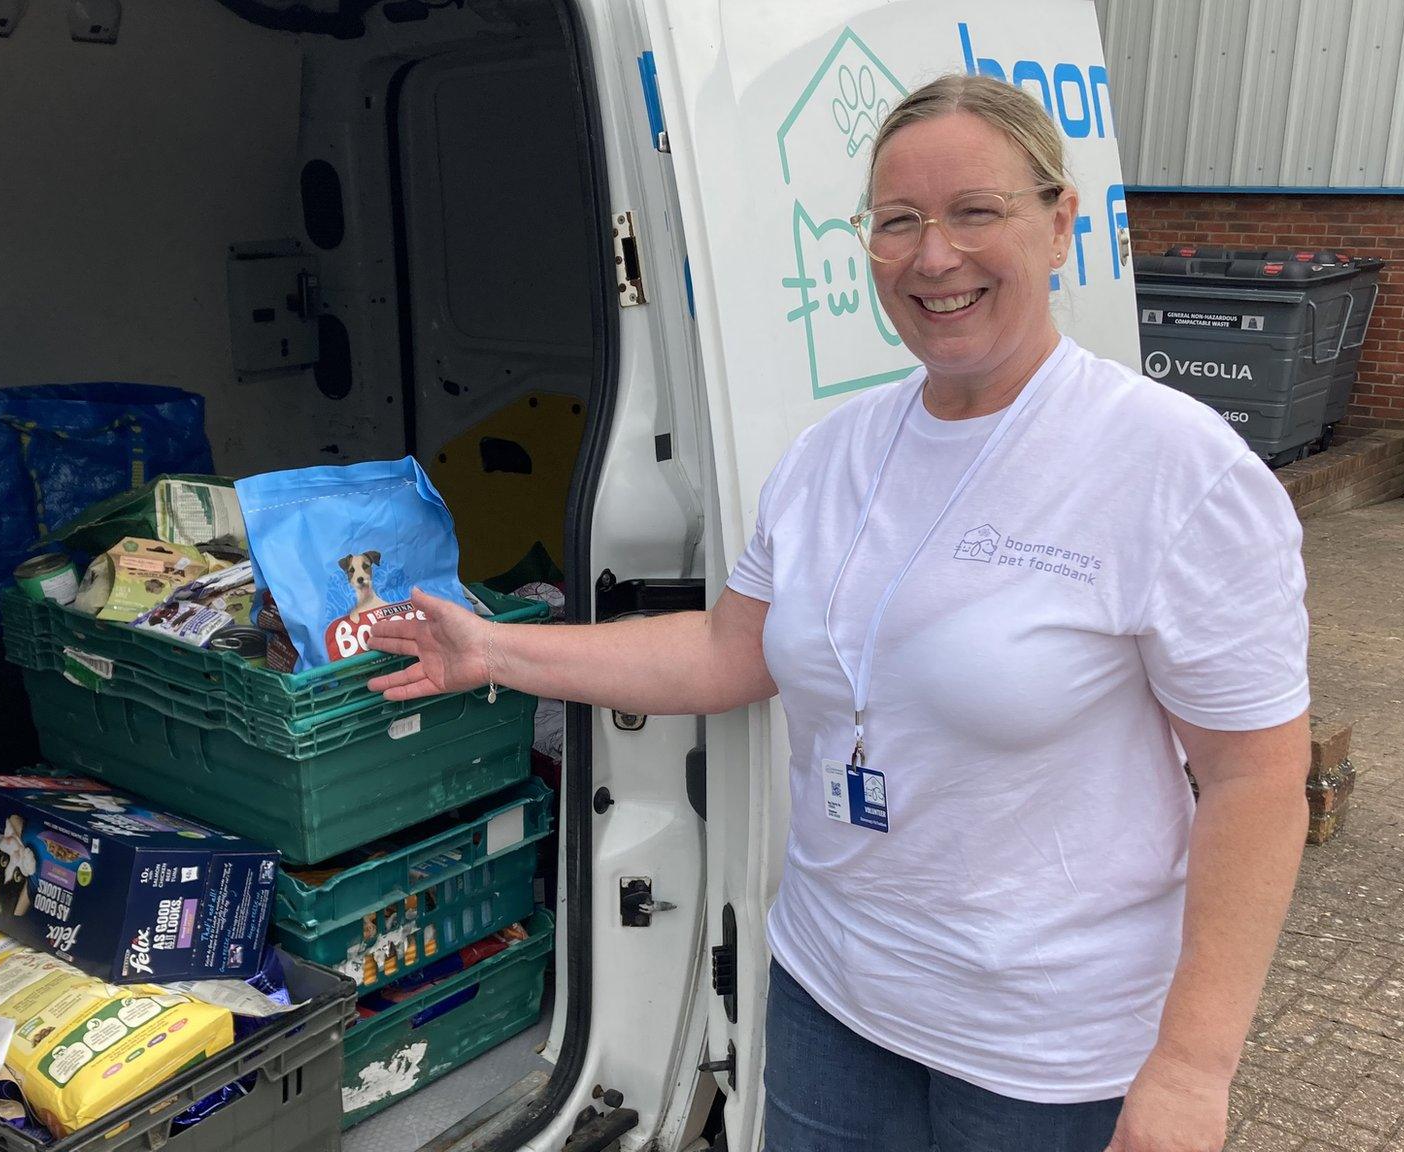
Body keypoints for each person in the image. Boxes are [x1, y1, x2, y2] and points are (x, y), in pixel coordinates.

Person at [368, 73, 1310, 1152]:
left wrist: (1191, 1068)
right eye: (896, 222)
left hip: (1047, 1052)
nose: (931, 257)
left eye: (973, 212)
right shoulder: (832, 453)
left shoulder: (1172, 468)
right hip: (832, 997)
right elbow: (728, 652)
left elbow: (1254, 778)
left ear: (1058, 225)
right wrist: (494, 648)